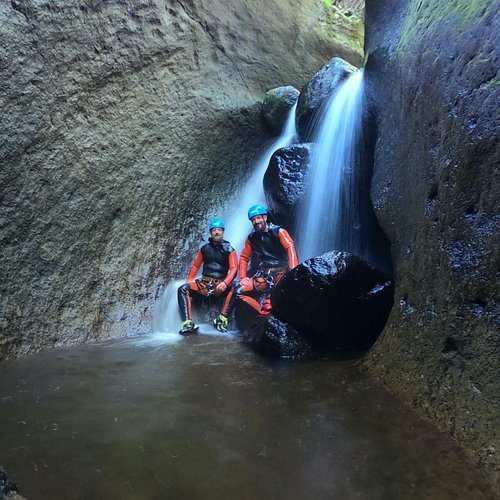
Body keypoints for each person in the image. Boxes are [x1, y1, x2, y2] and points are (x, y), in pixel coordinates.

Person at [226, 204, 298, 316]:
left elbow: (290, 248)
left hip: (281, 273)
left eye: (258, 218)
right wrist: (242, 277)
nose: (256, 221)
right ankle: (259, 311)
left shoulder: (279, 232)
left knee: (271, 301)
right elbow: (244, 257)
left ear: (265, 218)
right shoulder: (252, 238)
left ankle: (266, 309)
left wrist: (293, 270)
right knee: (238, 291)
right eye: (253, 220)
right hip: (264, 276)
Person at [177, 218, 237, 334]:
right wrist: (188, 281)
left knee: (236, 287)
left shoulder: (230, 250)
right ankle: (187, 323)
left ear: (223, 232)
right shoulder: (204, 249)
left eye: (219, 230)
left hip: (220, 285)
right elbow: (195, 266)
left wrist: (225, 283)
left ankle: (222, 318)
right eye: (214, 230)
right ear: (211, 232)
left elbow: (234, 269)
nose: (217, 232)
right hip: (205, 285)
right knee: (183, 289)